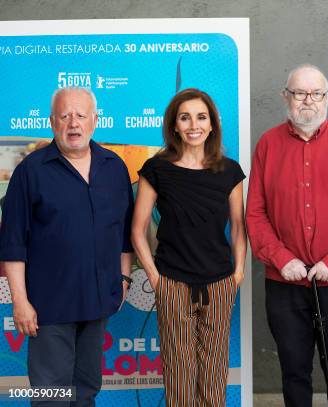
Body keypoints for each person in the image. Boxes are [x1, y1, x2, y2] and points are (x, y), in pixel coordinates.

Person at [0, 87, 134, 406]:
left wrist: (124, 278)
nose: (73, 122)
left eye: (80, 115)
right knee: (52, 396)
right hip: (48, 306)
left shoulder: (114, 167)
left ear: (95, 121)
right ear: (52, 122)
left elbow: (125, 233)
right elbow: (13, 244)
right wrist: (21, 301)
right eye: (64, 115)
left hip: (98, 301)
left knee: (86, 390)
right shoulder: (30, 172)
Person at [246, 64, 328, 407]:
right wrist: (282, 259)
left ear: (327, 98)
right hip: (284, 283)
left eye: (316, 93)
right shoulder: (268, 144)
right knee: (294, 373)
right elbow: (255, 212)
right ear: (286, 96)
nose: (308, 101)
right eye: (299, 93)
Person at [131, 88, 246, 407]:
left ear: (211, 125)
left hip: (220, 283)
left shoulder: (230, 171)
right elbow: (138, 231)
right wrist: (156, 279)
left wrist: (238, 272)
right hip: (173, 283)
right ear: (174, 125)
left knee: (213, 374)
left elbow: (238, 226)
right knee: (179, 375)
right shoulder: (156, 169)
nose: (193, 124)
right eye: (185, 117)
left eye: (201, 117)